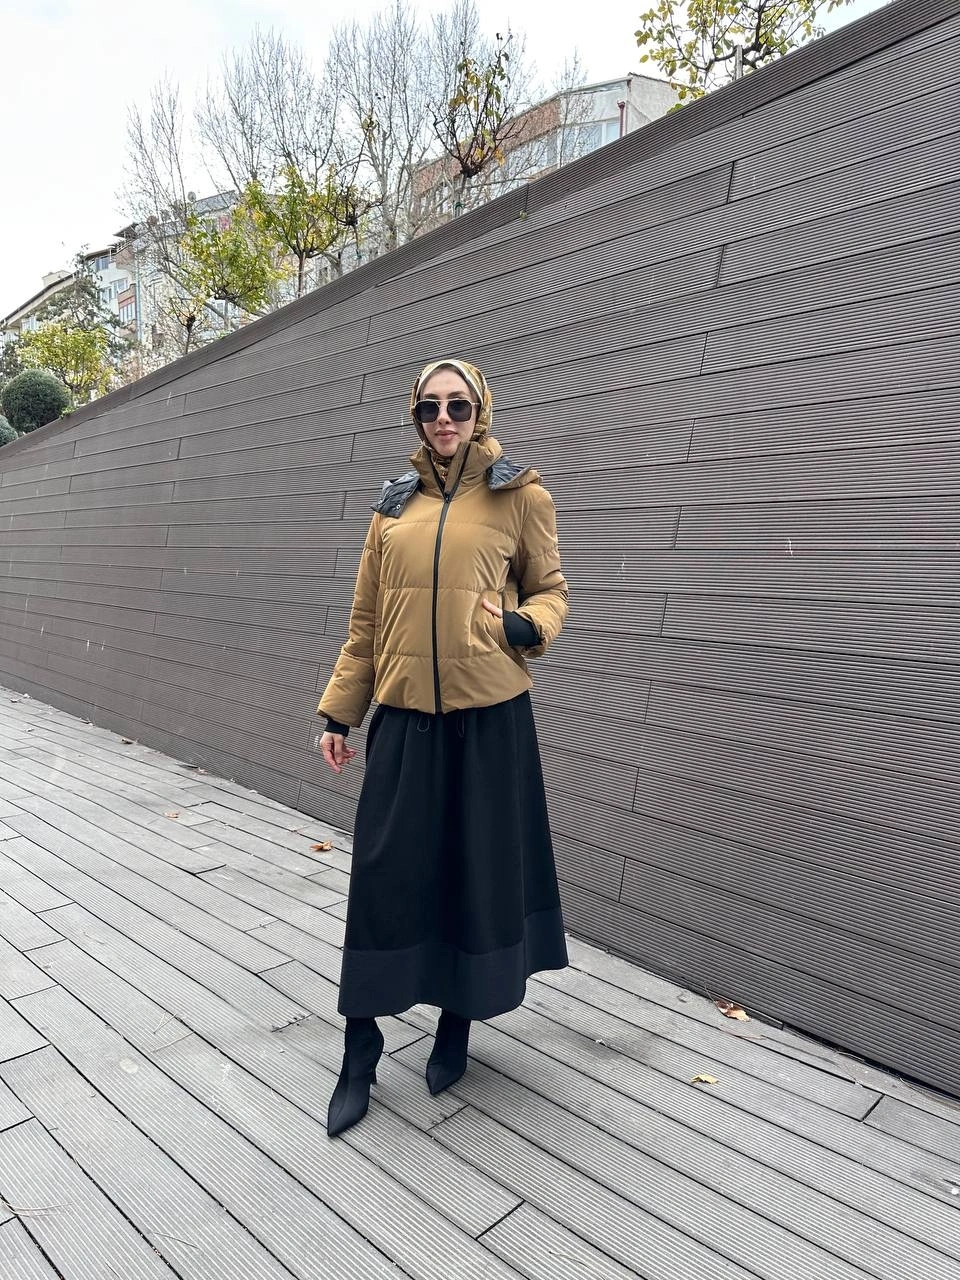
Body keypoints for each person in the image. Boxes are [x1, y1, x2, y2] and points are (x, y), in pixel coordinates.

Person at [316, 356, 569, 1138]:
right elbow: (366, 624)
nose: (444, 419)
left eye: (458, 405)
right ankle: (360, 1047)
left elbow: (552, 592)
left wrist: (524, 626)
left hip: (489, 720)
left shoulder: (520, 495)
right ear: (416, 415)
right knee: (383, 878)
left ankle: (456, 1024)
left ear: (480, 410)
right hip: (403, 719)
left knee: (472, 873)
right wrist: (340, 714)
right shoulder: (393, 508)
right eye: (430, 406)